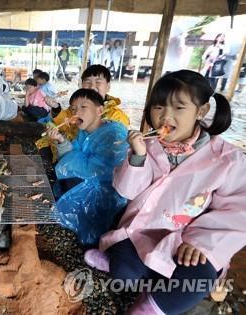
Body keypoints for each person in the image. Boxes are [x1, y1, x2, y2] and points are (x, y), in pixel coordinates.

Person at [84, 70, 246, 314]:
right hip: (144, 231)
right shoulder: (149, 145)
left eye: (179, 108)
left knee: (198, 281)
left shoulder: (228, 159)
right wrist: (138, 156)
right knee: (124, 275)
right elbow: (127, 190)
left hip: (189, 243)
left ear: (200, 112)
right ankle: (138, 271)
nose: (165, 116)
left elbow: (238, 211)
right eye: (159, 107)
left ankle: (149, 307)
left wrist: (200, 243)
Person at [48, 89, 129, 246]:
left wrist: (69, 155)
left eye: (83, 107)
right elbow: (73, 157)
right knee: (64, 177)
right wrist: (60, 140)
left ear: (100, 110)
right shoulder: (85, 131)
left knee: (68, 180)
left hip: (108, 191)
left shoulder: (114, 134)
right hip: (89, 180)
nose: (76, 112)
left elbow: (98, 170)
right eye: (73, 108)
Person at [36, 65, 130, 163]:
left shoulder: (117, 117)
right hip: (66, 152)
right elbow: (65, 125)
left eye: (98, 82)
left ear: (108, 86)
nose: (92, 86)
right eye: (88, 82)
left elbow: (111, 156)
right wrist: (56, 108)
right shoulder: (78, 105)